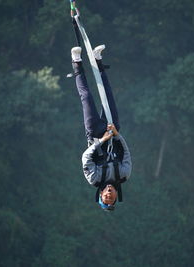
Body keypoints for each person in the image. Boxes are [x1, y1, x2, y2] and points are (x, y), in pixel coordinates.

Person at [70, 45, 132, 211]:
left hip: (96, 133)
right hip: (113, 131)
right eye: (112, 197)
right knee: (107, 96)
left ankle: (76, 61)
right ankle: (98, 60)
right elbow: (126, 153)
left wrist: (102, 140)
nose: (109, 193)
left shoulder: (94, 179)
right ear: (117, 196)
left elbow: (86, 157)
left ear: (101, 194)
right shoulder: (124, 175)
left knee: (87, 96)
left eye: (107, 196)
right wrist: (116, 135)